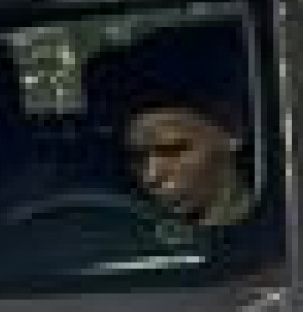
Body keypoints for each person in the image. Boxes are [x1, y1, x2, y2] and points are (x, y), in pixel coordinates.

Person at [88, 27, 262, 238]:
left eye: (173, 150)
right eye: (137, 157)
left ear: (232, 130)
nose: (151, 176)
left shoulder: (276, 234)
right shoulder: (131, 233)